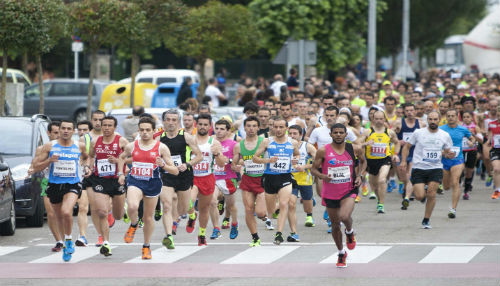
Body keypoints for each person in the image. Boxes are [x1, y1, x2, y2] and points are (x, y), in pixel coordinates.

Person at [117, 117, 179, 260]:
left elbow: (175, 171)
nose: (144, 133)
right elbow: (121, 157)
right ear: (138, 130)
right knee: (132, 206)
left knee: (148, 217)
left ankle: (146, 246)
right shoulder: (132, 146)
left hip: (153, 183)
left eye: (147, 130)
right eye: (142, 130)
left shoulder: (161, 148)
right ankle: (133, 224)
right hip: (135, 181)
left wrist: (163, 165)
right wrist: (121, 173)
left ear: (154, 131)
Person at [31, 120, 91, 262]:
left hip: (72, 184)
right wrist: (49, 161)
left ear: (73, 131)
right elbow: (36, 166)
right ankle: (65, 244)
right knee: (58, 216)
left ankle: (69, 240)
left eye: (69, 128)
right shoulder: (50, 146)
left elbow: (87, 157)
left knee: (66, 211)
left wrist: (87, 167)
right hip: (54, 184)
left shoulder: (79, 146)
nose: (65, 131)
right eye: (63, 128)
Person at [311, 123, 361, 268]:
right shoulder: (322, 151)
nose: (338, 135)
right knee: (334, 225)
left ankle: (350, 232)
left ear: (346, 134)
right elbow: (314, 169)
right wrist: (322, 176)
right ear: (331, 135)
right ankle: (341, 253)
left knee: (344, 217)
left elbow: (363, 163)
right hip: (331, 192)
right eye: (335, 132)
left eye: (341, 132)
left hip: (349, 189)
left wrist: (360, 176)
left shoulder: (354, 149)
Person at [401, 111, 454, 229]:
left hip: (435, 168)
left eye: (435, 119)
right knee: (419, 196)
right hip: (419, 167)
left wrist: (449, 155)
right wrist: (404, 161)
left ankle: (426, 219)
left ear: (439, 120)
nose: (433, 122)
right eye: (430, 119)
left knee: (432, 194)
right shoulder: (418, 133)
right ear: (427, 120)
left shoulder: (444, 135)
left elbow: (447, 151)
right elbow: (407, 146)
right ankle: (422, 196)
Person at [158, 109, 202, 249]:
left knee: (183, 210)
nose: (171, 123)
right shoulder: (159, 138)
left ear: (178, 122)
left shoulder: (187, 137)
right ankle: (169, 236)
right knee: (166, 205)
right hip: (166, 175)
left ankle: (192, 214)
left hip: (184, 175)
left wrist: (187, 164)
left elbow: (199, 156)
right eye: (168, 119)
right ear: (164, 121)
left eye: (174, 120)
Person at [252, 117, 300, 245]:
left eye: (281, 127)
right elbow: (255, 158)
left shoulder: (292, 142)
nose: (278, 130)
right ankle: (275, 214)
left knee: (285, 204)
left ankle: (279, 233)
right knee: (272, 212)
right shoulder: (267, 142)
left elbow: (297, 154)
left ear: (286, 128)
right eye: (275, 127)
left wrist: (295, 160)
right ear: (272, 127)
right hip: (269, 178)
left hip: (285, 177)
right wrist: (268, 161)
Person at [87, 116, 129, 256]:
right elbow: (91, 156)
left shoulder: (121, 141)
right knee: (101, 212)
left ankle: (122, 209)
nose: (106, 128)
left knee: (118, 216)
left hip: (117, 180)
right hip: (100, 180)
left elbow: (133, 156)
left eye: (109, 125)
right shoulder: (95, 141)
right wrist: (88, 167)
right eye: (104, 125)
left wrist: (118, 160)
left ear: (115, 127)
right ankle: (106, 243)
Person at [233, 116, 274, 246]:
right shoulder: (239, 146)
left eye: (254, 126)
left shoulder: (264, 141)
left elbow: (275, 156)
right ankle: (255, 237)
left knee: (260, 212)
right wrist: (238, 167)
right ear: (244, 128)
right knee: (249, 209)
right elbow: (234, 165)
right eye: (248, 126)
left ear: (258, 127)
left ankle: (268, 213)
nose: (251, 128)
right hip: (247, 179)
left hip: (263, 179)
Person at [187, 114, 225, 246]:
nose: (202, 127)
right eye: (200, 124)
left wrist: (217, 154)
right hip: (192, 178)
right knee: (188, 202)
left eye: (205, 125)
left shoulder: (214, 143)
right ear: (196, 125)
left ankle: (201, 234)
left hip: (207, 178)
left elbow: (221, 164)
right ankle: (192, 216)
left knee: (204, 209)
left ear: (210, 126)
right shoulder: (190, 140)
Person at [29, 121, 64, 252]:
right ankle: (58, 241)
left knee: (64, 213)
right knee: (51, 213)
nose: (58, 135)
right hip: (48, 182)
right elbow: (34, 165)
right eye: (55, 132)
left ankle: (67, 238)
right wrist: (32, 169)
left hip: (66, 182)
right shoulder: (42, 148)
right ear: (48, 133)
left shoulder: (68, 147)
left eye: (59, 132)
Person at [360, 110, 400, 213]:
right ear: (373, 119)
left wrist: (395, 154)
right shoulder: (367, 132)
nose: (378, 121)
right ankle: (379, 200)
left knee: (382, 180)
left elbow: (397, 143)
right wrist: (366, 143)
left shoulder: (389, 132)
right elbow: (357, 144)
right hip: (371, 161)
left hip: (385, 160)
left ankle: (381, 205)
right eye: (376, 119)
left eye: (381, 119)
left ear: (384, 119)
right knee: (375, 187)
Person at [440, 109, 474, 218]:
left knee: (455, 182)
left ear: (457, 117)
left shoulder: (463, 129)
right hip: (444, 160)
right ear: (446, 117)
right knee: (446, 187)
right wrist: (442, 153)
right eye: (448, 116)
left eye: (452, 116)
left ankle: (453, 209)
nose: (450, 118)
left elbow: (472, 137)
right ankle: (445, 186)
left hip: (457, 159)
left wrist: (471, 142)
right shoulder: (441, 129)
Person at [392, 103, 426, 209]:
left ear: (415, 111)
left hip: (416, 153)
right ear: (404, 112)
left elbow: (426, 137)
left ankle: (407, 195)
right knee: (402, 177)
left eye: (411, 110)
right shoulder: (398, 122)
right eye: (407, 111)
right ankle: (407, 188)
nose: (410, 112)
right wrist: (398, 140)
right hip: (402, 152)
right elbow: (390, 136)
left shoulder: (421, 123)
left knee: (410, 175)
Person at [211, 119, 239, 239]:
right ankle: (216, 228)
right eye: (217, 128)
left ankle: (234, 224)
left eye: (222, 129)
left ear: (228, 131)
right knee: (212, 202)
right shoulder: (210, 142)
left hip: (228, 178)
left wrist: (232, 162)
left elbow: (239, 161)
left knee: (231, 206)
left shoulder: (234, 144)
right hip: (213, 177)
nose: (219, 131)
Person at [288, 125, 317, 242]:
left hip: (305, 179)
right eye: (290, 133)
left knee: (307, 206)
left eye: (295, 133)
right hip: (290, 179)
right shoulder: (284, 146)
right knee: (291, 204)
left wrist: (305, 166)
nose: (292, 136)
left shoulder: (308, 147)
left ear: (301, 135)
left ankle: (309, 215)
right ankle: (293, 231)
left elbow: (318, 163)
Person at [461, 111, 482, 199]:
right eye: (464, 117)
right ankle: (459, 183)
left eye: (468, 117)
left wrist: (472, 134)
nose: (466, 118)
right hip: (461, 151)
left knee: (469, 171)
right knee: (461, 169)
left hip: (472, 151)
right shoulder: (460, 127)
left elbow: (480, 140)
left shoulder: (475, 127)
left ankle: (466, 191)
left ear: (471, 118)